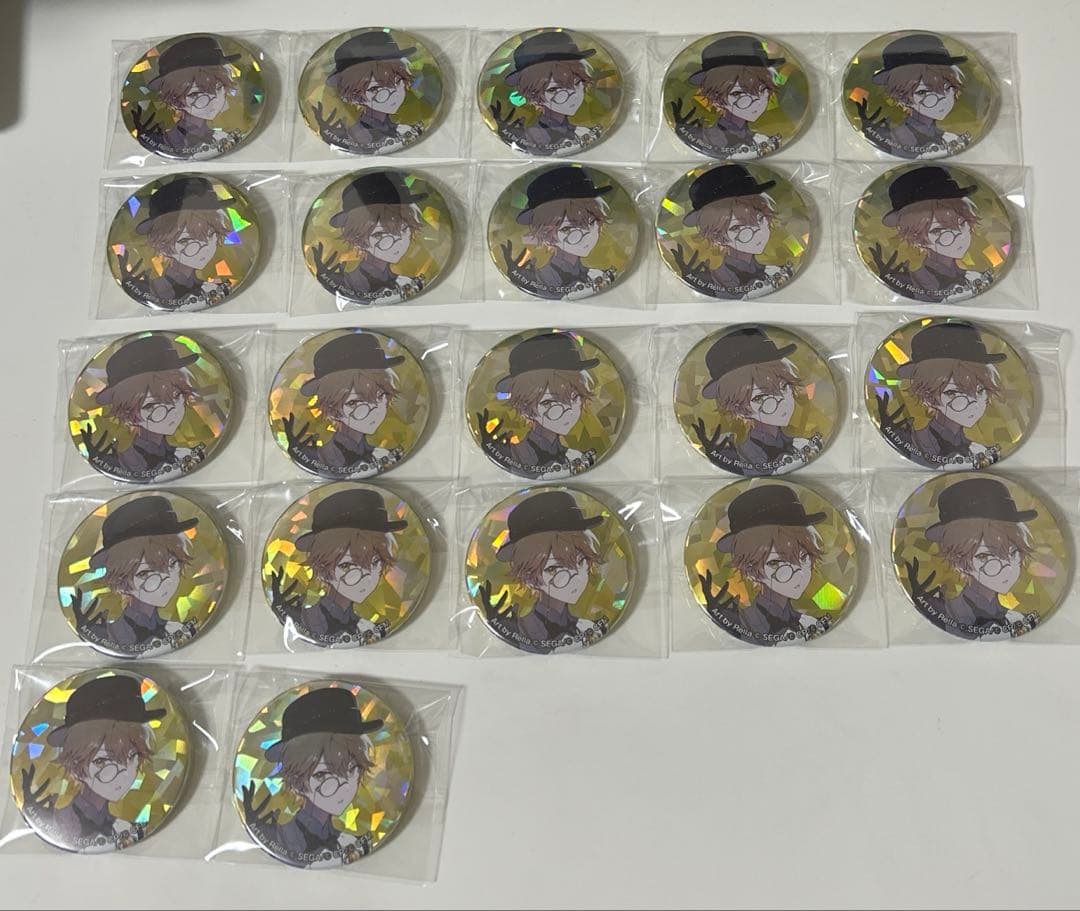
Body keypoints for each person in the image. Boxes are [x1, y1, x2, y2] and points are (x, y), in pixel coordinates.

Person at [21, 675, 165, 851]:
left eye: (131, 756)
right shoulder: (59, 820)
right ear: (76, 766)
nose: (123, 774)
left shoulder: (124, 828)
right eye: (101, 761)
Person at [244, 688, 383, 868]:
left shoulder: (351, 843)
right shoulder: (280, 837)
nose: (343, 786)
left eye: (351, 768)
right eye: (322, 775)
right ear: (297, 783)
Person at [905, 477, 1040, 640]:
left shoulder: (1016, 619)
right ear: (959, 562)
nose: (1006, 567)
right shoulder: (945, 612)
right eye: (984, 556)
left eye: (1013, 553)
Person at [698, 485, 832, 645]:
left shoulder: (809, 624)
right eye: (775, 563)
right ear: (751, 570)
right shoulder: (741, 621)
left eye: (803, 556)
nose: (798, 573)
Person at [478, 490, 609, 653]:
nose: (575, 577)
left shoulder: (586, 628)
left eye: (581, 561)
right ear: (530, 578)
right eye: (553, 569)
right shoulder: (520, 629)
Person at [70, 496, 198, 655]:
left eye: (172, 564)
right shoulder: (108, 634)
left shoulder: (177, 629)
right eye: (145, 573)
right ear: (121, 583)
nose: (166, 579)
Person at [692, 327, 823, 476]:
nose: (781, 402)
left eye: (784, 386)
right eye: (759, 398)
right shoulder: (734, 454)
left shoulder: (800, 443)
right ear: (739, 408)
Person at [874, 321, 1003, 470]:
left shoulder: (979, 451)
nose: (973, 403)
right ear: (929, 398)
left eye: (980, 391)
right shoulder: (912, 442)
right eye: (953, 393)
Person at [284, 489, 402, 646]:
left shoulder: (366, 628)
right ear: (323, 571)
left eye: (375, 562)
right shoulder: (305, 618)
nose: (367, 577)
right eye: (347, 566)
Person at [283, 333, 405, 479]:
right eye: (354, 402)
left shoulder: (383, 456)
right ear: (332, 410)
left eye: (379, 396)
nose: (373, 410)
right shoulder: (317, 457)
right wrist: (302, 455)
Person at [477, 332, 598, 479]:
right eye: (548, 403)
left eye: (574, 397)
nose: (568, 411)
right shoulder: (512, 454)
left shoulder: (575, 457)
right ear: (525, 409)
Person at [88, 335, 205, 482]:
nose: (172, 411)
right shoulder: (124, 460)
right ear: (128, 413)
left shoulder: (182, 454)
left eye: (176, 396)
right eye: (151, 405)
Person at [869, 166, 993, 304]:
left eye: (962, 223)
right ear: (917, 238)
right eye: (938, 231)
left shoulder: (974, 277)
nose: (959, 236)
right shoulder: (905, 281)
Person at [670, 165, 794, 300]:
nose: (757, 232)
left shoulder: (772, 270)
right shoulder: (719, 279)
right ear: (719, 238)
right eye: (737, 228)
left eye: (759, 218)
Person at [499, 167, 616, 300]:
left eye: (592, 222)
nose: (586, 235)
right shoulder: (540, 279)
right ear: (547, 237)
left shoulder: (596, 275)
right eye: (567, 229)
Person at [311, 172, 427, 304]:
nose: (398, 243)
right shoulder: (347, 283)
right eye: (380, 235)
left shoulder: (405, 283)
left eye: (404, 229)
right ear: (358, 241)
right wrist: (330, 281)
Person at [854, 33, 971, 159]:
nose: (942, 99)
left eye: (947, 88)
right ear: (903, 99)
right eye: (922, 92)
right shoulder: (896, 138)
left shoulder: (949, 138)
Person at [126, 176, 235, 310]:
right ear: (163, 246)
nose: (204, 249)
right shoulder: (150, 290)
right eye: (187, 241)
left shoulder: (212, 289)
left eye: (211, 235)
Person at [671, 34, 783, 159]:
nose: (756, 101)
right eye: (737, 93)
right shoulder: (703, 137)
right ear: (716, 99)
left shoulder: (763, 141)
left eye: (762, 90)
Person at [312, 31, 425, 154]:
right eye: (374, 89)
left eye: (397, 81)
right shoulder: (353, 135)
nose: (393, 94)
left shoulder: (404, 129)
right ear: (356, 96)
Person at [490, 32, 602, 155]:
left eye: (577, 83)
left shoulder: (583, 132)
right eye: (553, 89)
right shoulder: (530, 137)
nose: (572, 95)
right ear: (534, 95)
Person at [142, 35, 244, 158]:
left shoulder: (223, 138)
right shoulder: (163, 140)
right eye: (196, 94)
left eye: (218, 88)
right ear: (175, 101)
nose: (214, 100)